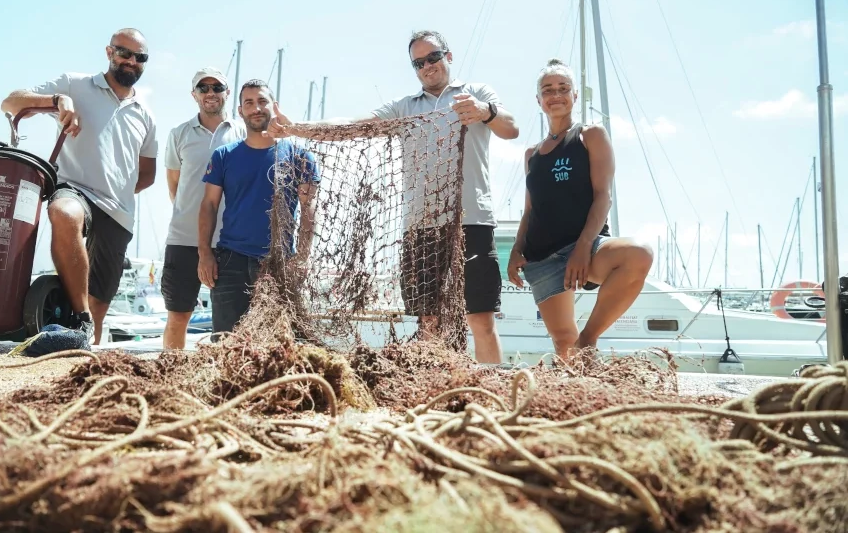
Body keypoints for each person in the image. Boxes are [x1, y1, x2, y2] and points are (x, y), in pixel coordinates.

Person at [266, 30, 519, 364]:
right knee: (428, 320)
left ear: (449, 56)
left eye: (433, 57)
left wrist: (485, 111)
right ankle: (437, 386)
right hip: (421, 225)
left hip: (472, 221)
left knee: (480, 318)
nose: (427, 66)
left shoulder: (475, 93)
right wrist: (298, 128)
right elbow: (352, 125)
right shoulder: (404, 108)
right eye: (418, 63)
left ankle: (492, 400)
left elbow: (511, 128)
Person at [0, 28, 157, 345]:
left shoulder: (147, 115)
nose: (131, 61)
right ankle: (81, 320)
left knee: (98, 311)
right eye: (124, 52)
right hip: (75, 190)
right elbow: (10, 102)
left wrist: (117, 189)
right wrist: (57, 101)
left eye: (140, 57)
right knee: (63, 213)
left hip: (119, 213)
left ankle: (82, 346)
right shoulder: (75, 84)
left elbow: (148, 175)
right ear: (109, 52)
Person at [506, 58, 653, 361]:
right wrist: (515, 250)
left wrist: (583, 247)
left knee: (639, 254)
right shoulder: (531, 154)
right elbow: (530, 211)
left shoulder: (591, 136)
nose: (556, 95)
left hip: (586, 246)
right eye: (548, 90)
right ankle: (577, 389)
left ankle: (589, 338)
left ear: (574, 96)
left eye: (563, 88)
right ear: (539, 100)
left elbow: (604, 197)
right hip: (542, 256)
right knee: (563, 342)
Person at [197, 80, 320, 337]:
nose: (256, 108)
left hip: (279, 262)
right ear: (240, 111)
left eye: (262, 101)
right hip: (231, 262)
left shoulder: (301, 157)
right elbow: (209, 205)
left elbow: (309, 210)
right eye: (249, 103)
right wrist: (205, 254)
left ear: (273, 107)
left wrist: (302, 258)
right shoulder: (224, 156)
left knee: (280, 347)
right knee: (226, 344)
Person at [161, 67, 246, 349]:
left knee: (232, 325)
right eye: (204, 88)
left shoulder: (243, 133)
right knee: (178, 316)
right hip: (183, 240)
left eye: (217, 87)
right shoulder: (178, 134)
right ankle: (170, 381)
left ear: (227, 93)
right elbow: (174, 185)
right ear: (194, 94)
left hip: (232, 243)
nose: (211, 93)